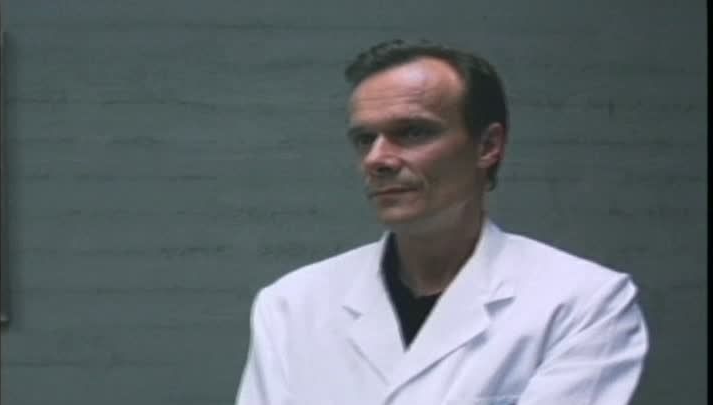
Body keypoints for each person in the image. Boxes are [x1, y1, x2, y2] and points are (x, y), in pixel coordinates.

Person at [235, 39, 649, 405]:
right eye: (364, 139)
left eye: (413, 132)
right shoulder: (292, 305)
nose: (377, 159)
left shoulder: (583, 303)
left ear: (488, 145)